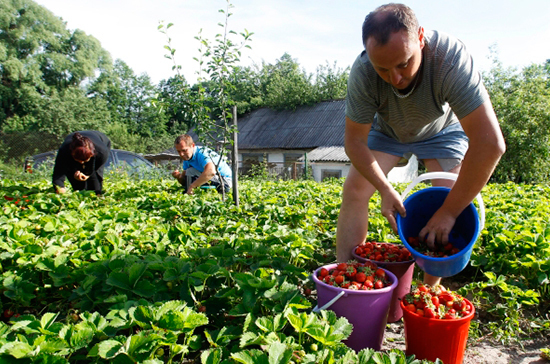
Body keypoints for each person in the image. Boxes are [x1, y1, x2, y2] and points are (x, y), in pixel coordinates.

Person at [336, 3, 506, 286]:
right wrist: (385, 188)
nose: (396, 78)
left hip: (441, 129)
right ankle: (344, 279)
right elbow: (354, 142)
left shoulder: (449, 58)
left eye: (403, 63)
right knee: (354, 189)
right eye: (383, 68)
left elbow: (490, 144)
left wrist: (449, 211)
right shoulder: (364, 73)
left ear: (421, 37)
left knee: (446, 196)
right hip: (389, 130)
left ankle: (427, 292)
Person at [52, 131, 112, 195]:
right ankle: (80, 195)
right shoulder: (64, 151)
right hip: (70, 154)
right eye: (79, 160)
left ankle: (96, 196)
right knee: (76, 181)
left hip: (101, 141)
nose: (81, 163)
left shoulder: (101, 152)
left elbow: (93, 171)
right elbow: (58, 174)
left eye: (84, 161)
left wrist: (87, 174)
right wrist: (61, 190)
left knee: (95, 176)